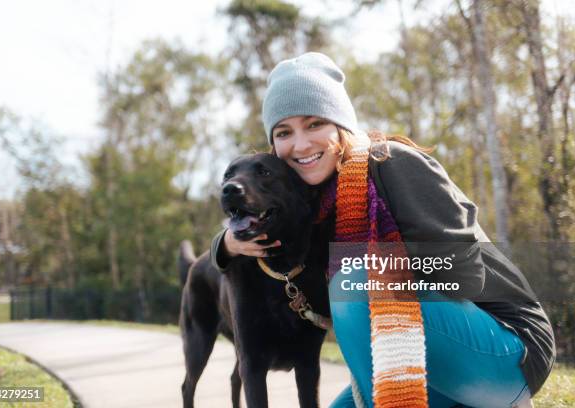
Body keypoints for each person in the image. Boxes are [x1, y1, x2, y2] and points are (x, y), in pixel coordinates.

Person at [210, 52, 555, 408]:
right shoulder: (312, 200)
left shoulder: (391, 163)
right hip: (430, 360)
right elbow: (246, 242)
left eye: (314, 124)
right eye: (285, 132)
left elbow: (464, 273)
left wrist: (371, 268)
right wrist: (227, 244)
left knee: (352, 284)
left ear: (340, 124)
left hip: (507, 349)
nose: (300, 144)